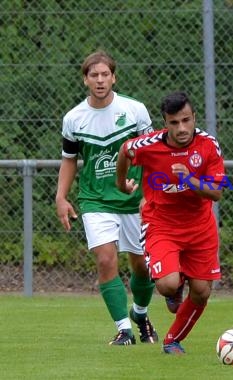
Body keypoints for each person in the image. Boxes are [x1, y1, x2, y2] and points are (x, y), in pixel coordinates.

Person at [55, 50, 158, 345]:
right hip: (95, 200)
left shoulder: (135, 111)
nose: (100, 80)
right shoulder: (74, 119)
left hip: (134, 200)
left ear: (114, 77)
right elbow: (69, 160)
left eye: (105, 75)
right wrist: (61, 198)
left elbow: (151, 155)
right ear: (85, 80)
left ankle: (140, 313)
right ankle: (124, 329)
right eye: (93, 75)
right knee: (105, 259)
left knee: (142, 265)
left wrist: (149, 194)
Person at [115, 91, 225, 355]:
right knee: (167, 284)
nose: (182, 128)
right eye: (174, 123)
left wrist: (189, 180)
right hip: (161, 224)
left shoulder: (208, 145)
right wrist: (121, 183)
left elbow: (216, 192)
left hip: (200, 228)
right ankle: (175, 283)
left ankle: (172, 339)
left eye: (186, 120)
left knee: (201, 292)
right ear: (165, 122)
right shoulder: (149, 145)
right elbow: (125, 150)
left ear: (194, 117)